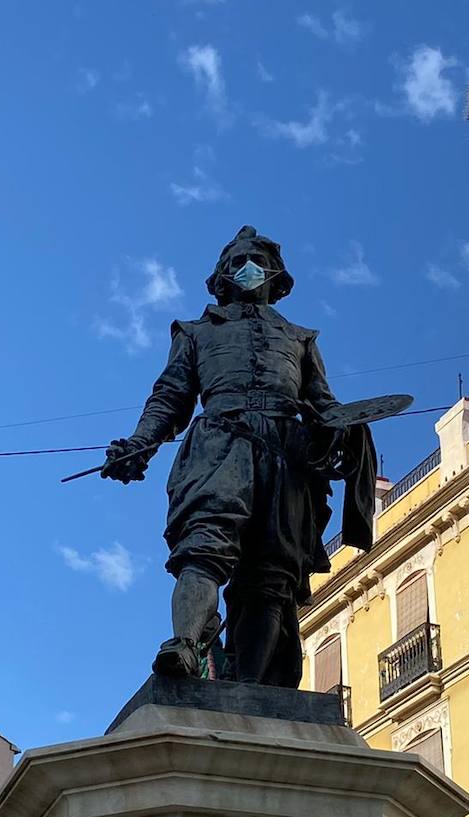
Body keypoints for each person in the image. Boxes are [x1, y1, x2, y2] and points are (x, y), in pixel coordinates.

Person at [103, 226, 376, 688]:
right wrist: (140, 443)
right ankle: (186, 646)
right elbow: (170, 396)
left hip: (285, 455)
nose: (246, 267)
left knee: (271, 578)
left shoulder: (301, 338)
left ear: (276, 277)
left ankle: (252, 686)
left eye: (255, 259)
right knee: (203, 548)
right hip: (220, 443)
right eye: (235, 260)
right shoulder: (194, 332)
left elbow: (321, 402)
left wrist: (342, 428)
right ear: (222, 276)